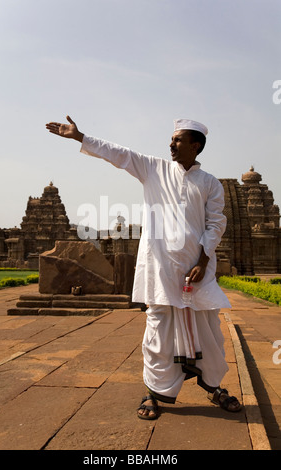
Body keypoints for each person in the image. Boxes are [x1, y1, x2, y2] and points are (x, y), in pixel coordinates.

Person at [46, 116, 241, 418]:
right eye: (171, 139)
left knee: (209, 331)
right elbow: (120, 154)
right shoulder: (154, 169)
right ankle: (152, 392)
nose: (170, 144)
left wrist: (203, 260)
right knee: (158, 330)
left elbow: (216, 224)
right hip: (160, 266)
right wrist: (81, 136)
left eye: (177, 140)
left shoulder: (210, 184)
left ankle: (214, 387)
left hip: (197, 269)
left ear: (195, 145)